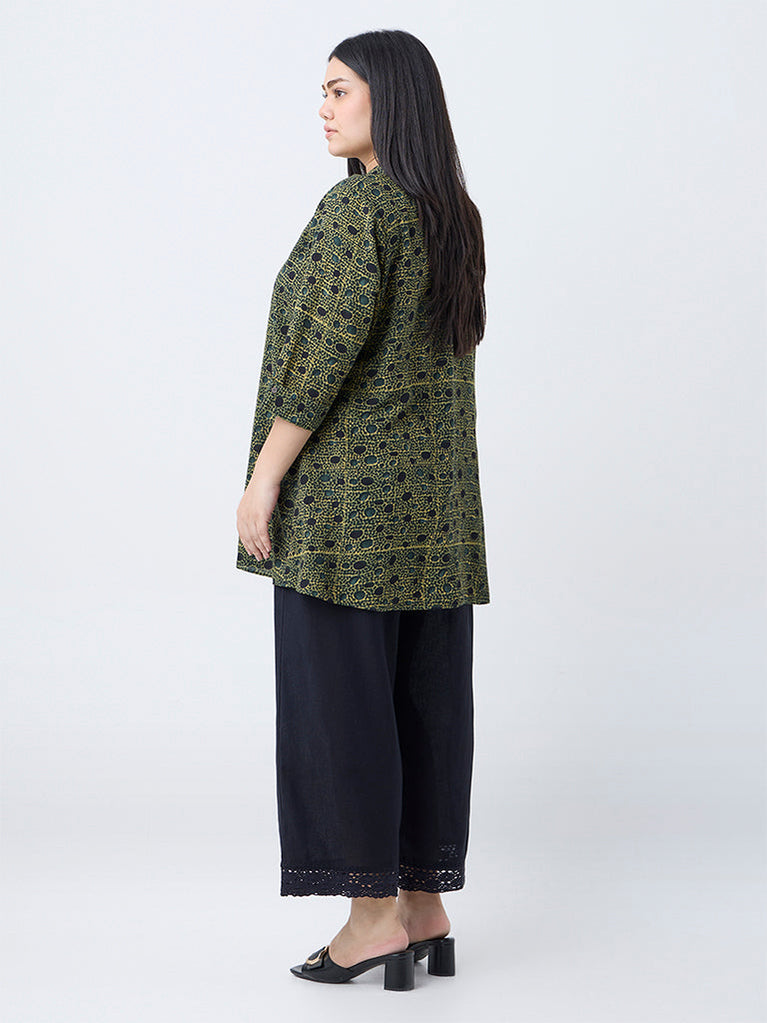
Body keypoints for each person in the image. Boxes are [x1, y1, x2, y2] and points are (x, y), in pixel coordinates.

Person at [235, 29, 490, 991]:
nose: (323, 106)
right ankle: (424, 901)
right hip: (435, 519)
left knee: (339, 708)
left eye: (339, 89)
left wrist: (263, 480)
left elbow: (318, 362)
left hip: (345, 518)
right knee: (424, 703)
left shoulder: (358, 210)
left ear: (391, 95)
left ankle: (371, 918)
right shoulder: (451, 213)